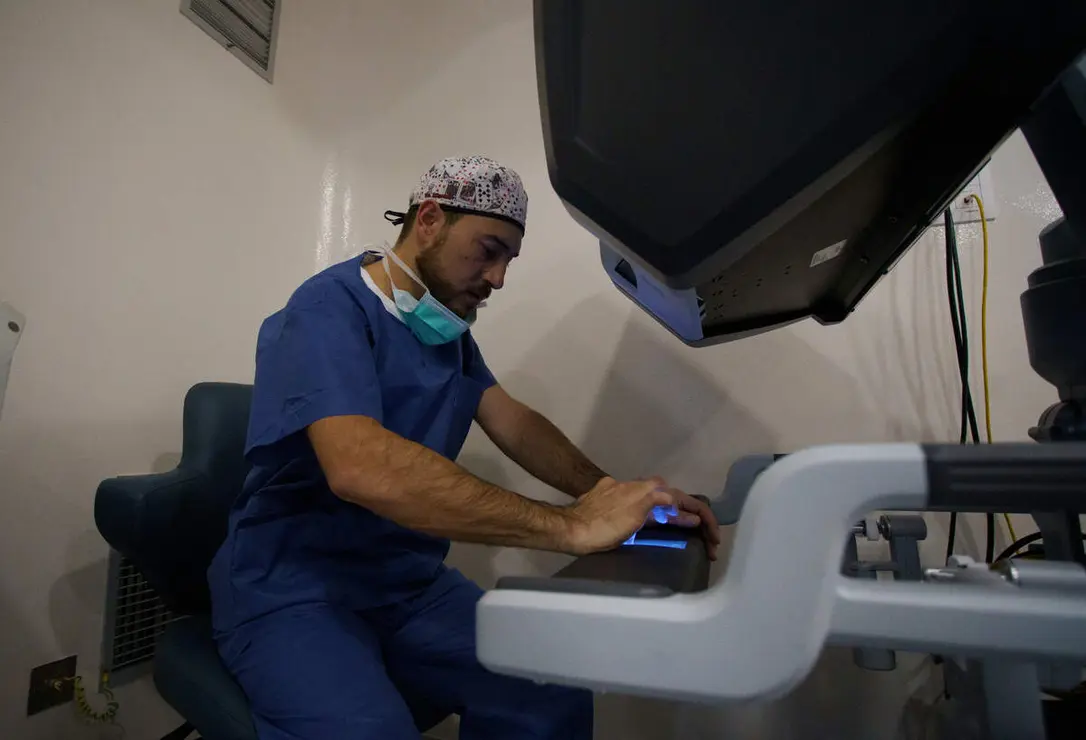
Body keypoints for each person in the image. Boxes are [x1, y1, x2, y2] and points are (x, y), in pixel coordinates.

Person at [207, 155, 720, 740]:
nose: (498, 278)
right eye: (488, 250)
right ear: (429, 219)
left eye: (509, 260)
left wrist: (610, 492)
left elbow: (516, 423)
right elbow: (360, 467)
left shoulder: (445, 332)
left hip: (403, 582)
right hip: (295, 586)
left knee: (548, 685)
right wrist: (569, 526)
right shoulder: (326, 310)